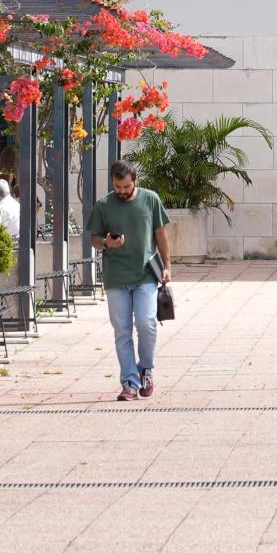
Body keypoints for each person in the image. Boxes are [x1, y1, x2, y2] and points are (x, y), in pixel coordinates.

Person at [86, 160, 171, 402]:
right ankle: (130, 382)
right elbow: (94, 238)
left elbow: (161, 234)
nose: (121, 191)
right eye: (117, 186)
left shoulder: (150, 199)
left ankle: (146, 368)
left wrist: (167, 266)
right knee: (122, 331)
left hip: (145, 273)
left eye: (126, 186)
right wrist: (105, 243)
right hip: (115, 276)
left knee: (146, 323)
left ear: (135, 181)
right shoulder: (103, 205)